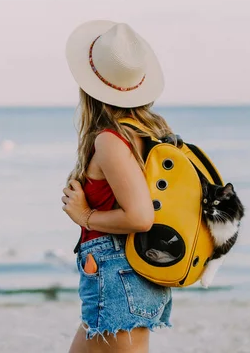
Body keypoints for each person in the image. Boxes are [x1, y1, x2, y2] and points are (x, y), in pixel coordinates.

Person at [63, 20, 173, 353]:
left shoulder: (111, 140)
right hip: (131, 272)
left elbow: (141, 217)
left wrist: (85, 215)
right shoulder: (147, 134)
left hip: (117, 274)